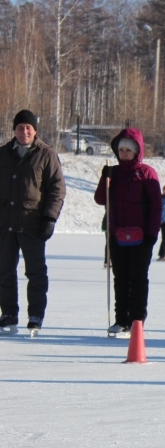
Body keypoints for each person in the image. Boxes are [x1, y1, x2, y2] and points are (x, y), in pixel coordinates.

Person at [0, 109, 65, 336]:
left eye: (28, 127)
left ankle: (35, 315)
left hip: (32, 224)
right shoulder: (3, 153)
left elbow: (57, 189)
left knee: (36, 272)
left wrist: (49, 218)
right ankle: (8, 314)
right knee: (4, 271)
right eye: (20, 127)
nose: (24, 131)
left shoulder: (46, 154)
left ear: (35, 130)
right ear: (14, 130)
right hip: (5, 225)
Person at [94, 128, 162, 337]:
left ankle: (137, 320)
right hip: (118, 235)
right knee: (120, 278)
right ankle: (121, 319)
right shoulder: (113, 172)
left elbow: (156, 205)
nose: (124, 153)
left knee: (138, 278)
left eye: (128, 150)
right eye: (121, 149)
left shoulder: (146, 172)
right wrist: (104, 180)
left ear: (137, 151)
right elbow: (100, 199)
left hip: (141, 236)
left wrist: (152, 233)